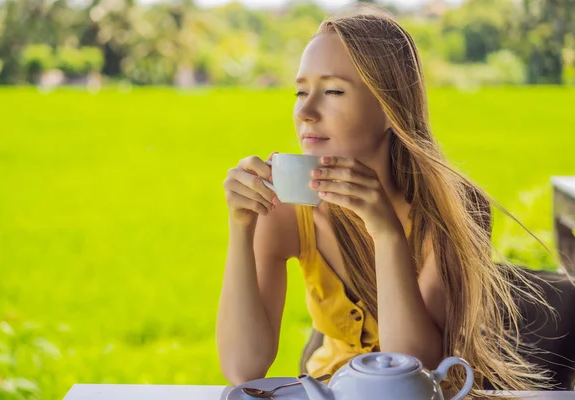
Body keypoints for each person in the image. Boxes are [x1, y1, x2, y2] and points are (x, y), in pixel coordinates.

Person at [217, 4, 555, 395]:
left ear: (390, 108)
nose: (306, 112)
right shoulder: (288, 208)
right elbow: (245, 367)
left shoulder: (454, 207)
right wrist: (241, 228)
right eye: (300, 91)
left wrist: (387, 234)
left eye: (332, 91)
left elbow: (416, 370)